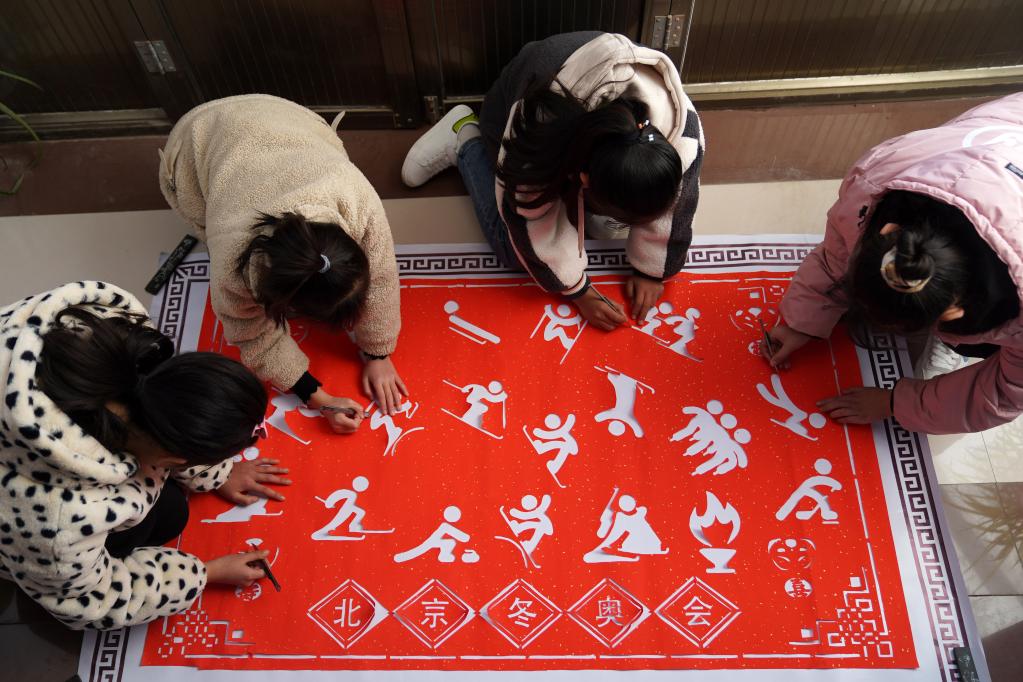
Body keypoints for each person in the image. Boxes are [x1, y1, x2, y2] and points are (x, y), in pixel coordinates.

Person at [0, 282, 289, 630]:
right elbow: (90, 600)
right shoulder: (60, 518)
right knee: (169, 515)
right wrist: (204, 573)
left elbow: (172, 412)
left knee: (168, 509)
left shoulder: (115, 331)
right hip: (27, 529)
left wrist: (219, 473)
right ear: (171, 459)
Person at [401, 32, 704, 331]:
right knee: (513, 250)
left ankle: (605, 207)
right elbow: (526, 216)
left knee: (604, 226)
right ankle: (463, 135)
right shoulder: (536, 129)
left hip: (583, 143)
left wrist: (652, 270)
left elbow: (678, 202)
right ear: (583, 179)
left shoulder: (679, 128)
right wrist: (578, 290)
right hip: (508, 109)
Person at [764, 93, 1023, 434]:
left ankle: (960, 346)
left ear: (954, 312)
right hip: (1001, 131)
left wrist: (894, 403)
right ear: (887, 231)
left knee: (990, 345)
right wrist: (802, 321)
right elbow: (838, 253)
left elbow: (1004, 391)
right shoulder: (878, 182)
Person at [159, 94, 407, 431]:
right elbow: (252, 335)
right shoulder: (232, 259)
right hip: (195, 139)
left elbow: (381, 278)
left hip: (284, 117)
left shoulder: (354, 194)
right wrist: (318, 397)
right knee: (204, 203)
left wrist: (378, 353)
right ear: (284, 302)